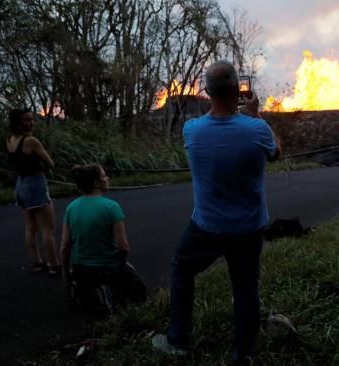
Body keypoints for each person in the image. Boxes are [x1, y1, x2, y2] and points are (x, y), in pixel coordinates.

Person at [152, 61, 282, 364]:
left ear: (207, 91)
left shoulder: (192, 130)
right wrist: (256, 114)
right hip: (248, 228)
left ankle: (178, 339)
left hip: (206, 227)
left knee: (182, 269)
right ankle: (243, 355)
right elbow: (276, 152)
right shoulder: (257, 129)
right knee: (246, 289)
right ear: (239, 89)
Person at [60, 164, 146, 316]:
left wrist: (67, 275)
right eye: (104, 176)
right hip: (107, 268)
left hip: (81, 270)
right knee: (138, 290)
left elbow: (65, 247)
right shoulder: (112, 207)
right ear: (95, 183)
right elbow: (123, 247)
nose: (107, 178)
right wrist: (121, 264)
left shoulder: (71, 208)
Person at [6, 108, 60, 276]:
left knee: (30, 226)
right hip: (35, 184)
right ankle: (54, 266)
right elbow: (50, 163)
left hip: (21, 184)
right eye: (26, 120)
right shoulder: (31, 141)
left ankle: (37, 262)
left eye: (32, 119)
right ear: (17, 123)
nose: (31, 123)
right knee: (48, 229)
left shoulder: (10, 139)